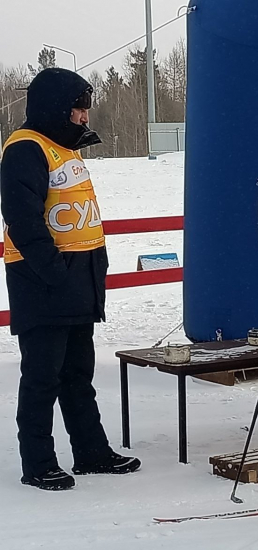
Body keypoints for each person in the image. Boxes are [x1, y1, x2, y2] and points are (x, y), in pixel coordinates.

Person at [1, 68, 141, 491]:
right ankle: (38, 461)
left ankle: (91, 451)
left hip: (78, 281)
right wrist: (54, 273)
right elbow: (23, 220)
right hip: (42, 281)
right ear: (56, 107)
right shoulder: (26, 148)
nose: (84, 116)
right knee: (43, 376)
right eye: (78, 107)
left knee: (78, 374)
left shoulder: (65, 149)